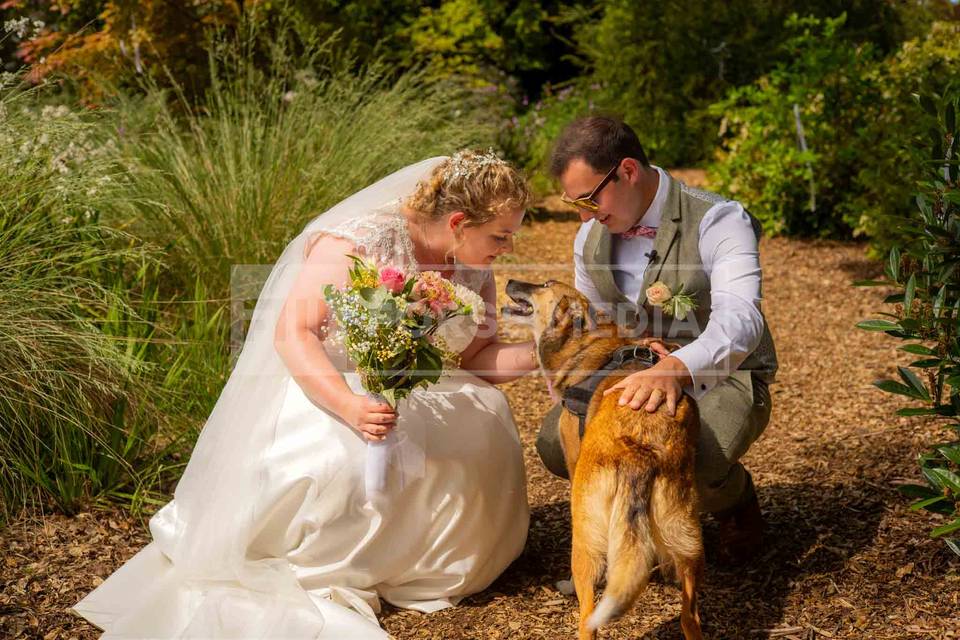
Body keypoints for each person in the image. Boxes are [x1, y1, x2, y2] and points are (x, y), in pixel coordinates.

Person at [71, 151, 541, 639]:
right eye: (500, 236)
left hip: (415, 386)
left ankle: (423, 560)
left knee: (484, 414)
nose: (507, 248)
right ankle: (342, 557)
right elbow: (294, 332)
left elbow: (475, 359)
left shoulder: (471, 266)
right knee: (335, 455)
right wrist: (350, 405)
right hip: (329, 383)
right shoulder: (359, 241)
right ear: (460, 222)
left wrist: (548, 350)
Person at [536, 115, 778, 563]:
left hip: (724, 374)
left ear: (627, 170)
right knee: (557, 442)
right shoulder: (590, 237)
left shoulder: (720, 219)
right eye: (576, 204)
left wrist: (676, 367)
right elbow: (596, 324)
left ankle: (733, 499)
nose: (586, 216)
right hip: (631, 371)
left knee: (697, 454)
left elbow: (742, 320)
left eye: (590, 199)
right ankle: (632, 527)